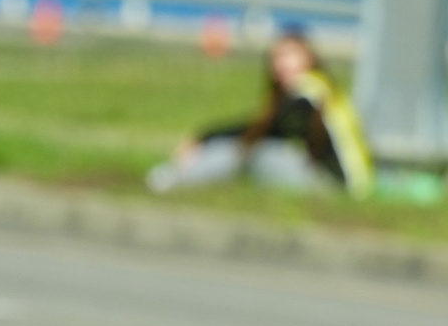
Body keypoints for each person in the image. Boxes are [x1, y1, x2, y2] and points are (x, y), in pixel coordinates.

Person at [146, 27, 373, 198]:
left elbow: (263, 128)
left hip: (338, 187)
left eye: (291, 55)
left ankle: (176, 179)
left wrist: (204, 138)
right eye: (277, 57)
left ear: (309, 58)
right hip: (342, 185)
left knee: (254, 152)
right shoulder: (320, 89)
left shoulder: (309, 91)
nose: (281, 64)